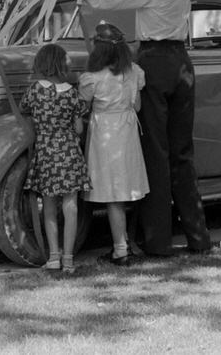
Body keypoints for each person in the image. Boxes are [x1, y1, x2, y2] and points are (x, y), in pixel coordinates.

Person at [57, 0, 211, 256]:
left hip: (155, 62)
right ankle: (199, 238)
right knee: (183, 154)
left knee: (156, 152)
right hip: (182, 62)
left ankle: (157, 242)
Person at [78, 22, 150, 266]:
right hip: (127, 131)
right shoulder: (134, 73)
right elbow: (137, 106)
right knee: (125, 188)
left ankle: (121, 249)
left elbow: (81, 106)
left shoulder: (92, 78)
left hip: (105, 134)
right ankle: (126, 242)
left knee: (113, 194)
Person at [19, 43, 91, 273]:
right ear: (61, 64)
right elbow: (79, 129)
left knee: (48, 206)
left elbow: (23, 109)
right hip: (69, 152)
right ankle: (68, 259)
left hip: (47, 153)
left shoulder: (34, 91)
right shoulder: (71, 93)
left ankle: (53, 257)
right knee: (70, 205)